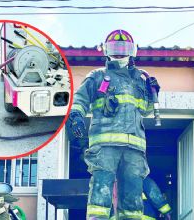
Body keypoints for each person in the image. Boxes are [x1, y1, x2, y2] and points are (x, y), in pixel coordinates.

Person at [68, 29, 160, 220]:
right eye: (114, 47)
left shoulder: (140, 81)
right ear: (106, 50)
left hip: (134, 148)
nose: (119, 51)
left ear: (132, 51)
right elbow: (80, 99)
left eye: (123, 47)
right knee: (101, 187)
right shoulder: (98, 76)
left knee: (133, 193)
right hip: (105, 147)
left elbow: (146, 110)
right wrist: (76, 115)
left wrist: (153, 93)